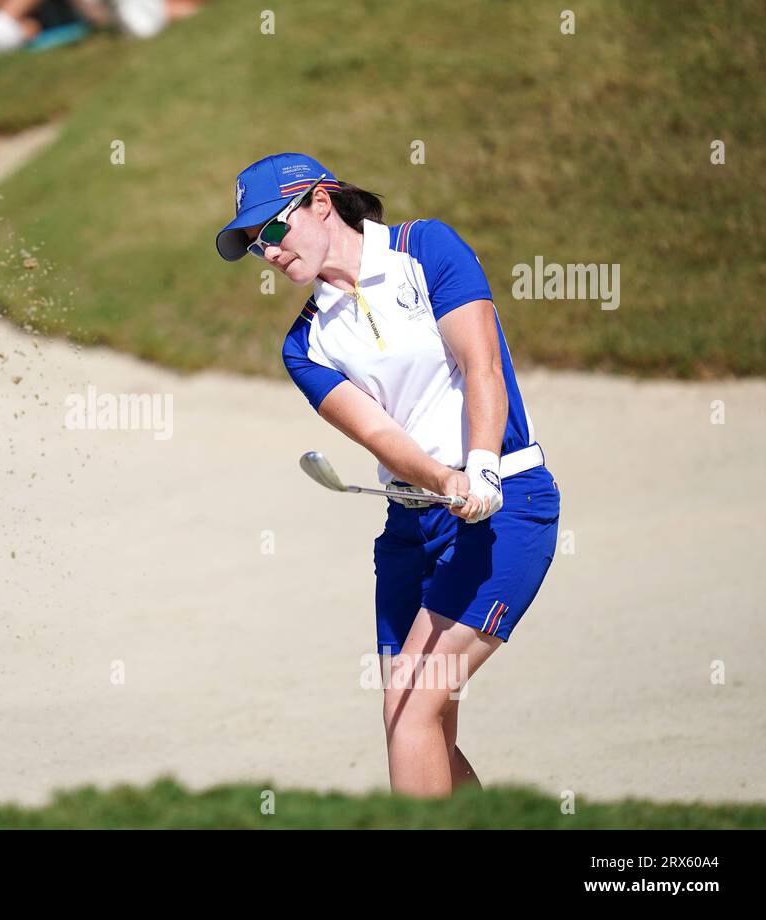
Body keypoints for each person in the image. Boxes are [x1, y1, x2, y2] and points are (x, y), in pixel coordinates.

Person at [215, 153, 560, 798]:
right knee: (420, 726)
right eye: (254, 244)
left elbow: (480, 363)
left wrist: (480, 469)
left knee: (411, 708)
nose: (266, 252)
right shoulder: (306, 344)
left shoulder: (425, 247)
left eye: (272, 231)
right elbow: (380, 436)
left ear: (322, 202)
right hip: (413, 528)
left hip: (507, 504)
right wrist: (442, 481)